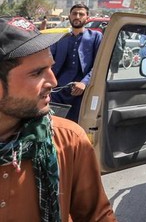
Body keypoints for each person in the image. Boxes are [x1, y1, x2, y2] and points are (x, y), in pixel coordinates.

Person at [0, 17, 117, 221]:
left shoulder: (68, 140)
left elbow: (97, 216)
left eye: (50, 68)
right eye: (37, 73)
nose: (53, 81)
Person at [49, 3, 104, 122]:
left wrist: (84, 83)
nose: (77, 16)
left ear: (87, 18)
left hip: (83, 92)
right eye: (74, 13)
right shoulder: (60, 37)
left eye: (81, 14)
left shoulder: (95, 36)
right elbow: (48, 62)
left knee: (77, 125)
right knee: (54, 125)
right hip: (58, 91)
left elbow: (99, 65)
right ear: (69, 16)